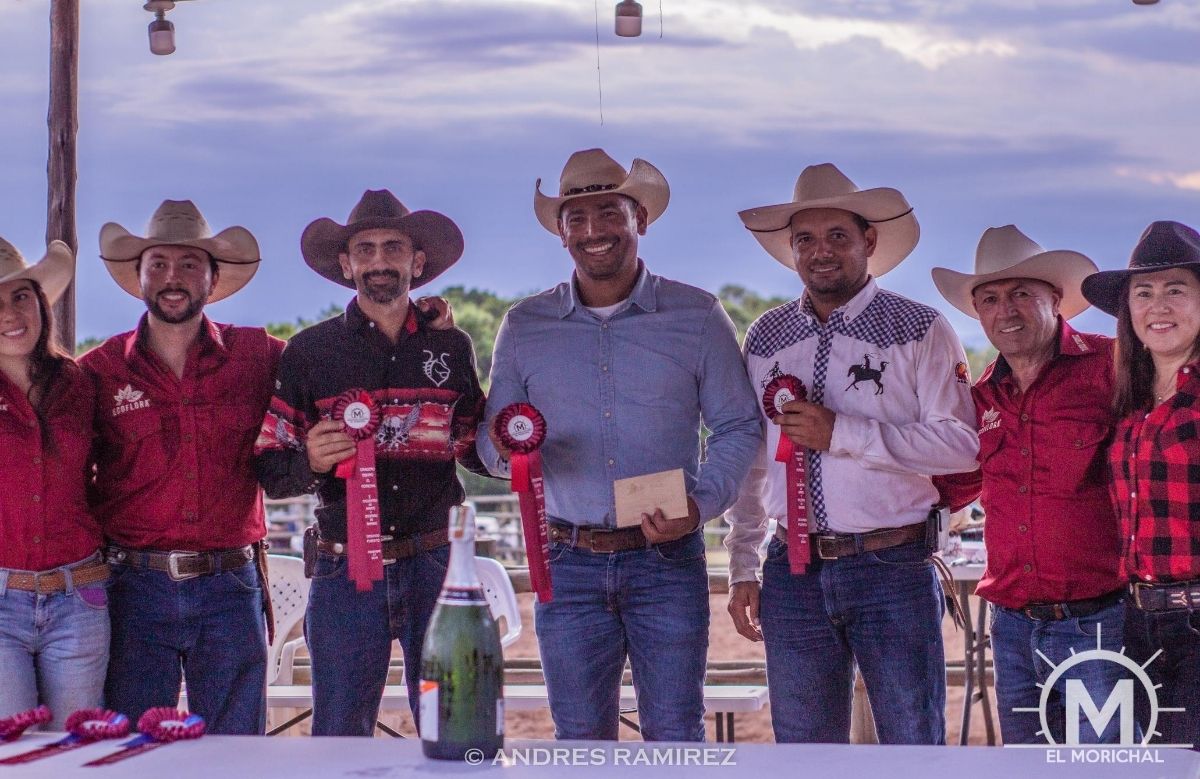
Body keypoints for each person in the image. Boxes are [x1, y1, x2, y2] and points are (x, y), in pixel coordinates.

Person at [479, 149, 762, 742]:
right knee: (579, 737)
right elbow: (491, 440)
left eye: (609, 213)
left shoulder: (698, 316)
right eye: (575, 219)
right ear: (560, 234)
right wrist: (510, 451)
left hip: (666, 561)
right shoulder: (524, 325)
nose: (593, 232)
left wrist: (701, 504)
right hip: (567, 558)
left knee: (676, 734)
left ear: (641, 219)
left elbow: (738, 425)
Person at [724, 163, 978, 744]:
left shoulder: (921, 328)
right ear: (791, 251)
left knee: (912, 740)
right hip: (791, 569)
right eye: (805, 239)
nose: (821, 251)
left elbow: (963, 445)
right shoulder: (764, 336)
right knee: (804, 746)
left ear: (869, 241)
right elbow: (753, 461)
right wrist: (743, 563)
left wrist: (845, 433)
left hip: (893, 564)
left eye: (837, 235)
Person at [254, 189, 487, 737]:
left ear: (417, 261)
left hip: (438, 561)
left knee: (455, 725)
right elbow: (269, 467)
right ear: (346, 263)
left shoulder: (451, 348)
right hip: (344, 566)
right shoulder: (309, 352)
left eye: (392, 247)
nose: (379, 260)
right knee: (339, 730)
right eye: (365, 249)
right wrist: (309, 459)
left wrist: (522, 438)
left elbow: (474, 444)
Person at [81, 200, 281, 734]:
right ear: (139, 277)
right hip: (132, 588)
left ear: (213, 280)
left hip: (229, 586)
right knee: (132, 748)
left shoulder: (258, 354)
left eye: (190, 265)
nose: (174, 278)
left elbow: (332, 363)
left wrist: (420, 323)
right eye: (160, 264)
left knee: (237, 748)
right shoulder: (97, 371)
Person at [932, 225, 1127, 745]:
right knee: (1024, 767)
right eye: (990, 299)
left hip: (1100, 622)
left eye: (1022, 293)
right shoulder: (978, 400)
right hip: (1014, 629)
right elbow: (948, 488)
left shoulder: (1114, 365)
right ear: (977, 313)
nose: (1007, 310)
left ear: (1055, 298)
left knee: (1104, 769)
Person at [1082, 220, 1200, 749]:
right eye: (1144, 293)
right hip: (1137, 621)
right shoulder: (1129, 403)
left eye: (1176, 290)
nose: (1158, 306)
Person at [0, 238, 109, 730]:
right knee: (15, 752)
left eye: (20, 295)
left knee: (77, 749)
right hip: (1, 601)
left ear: (40, 301)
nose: (10, 313)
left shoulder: (79, 383)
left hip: (80, 599)